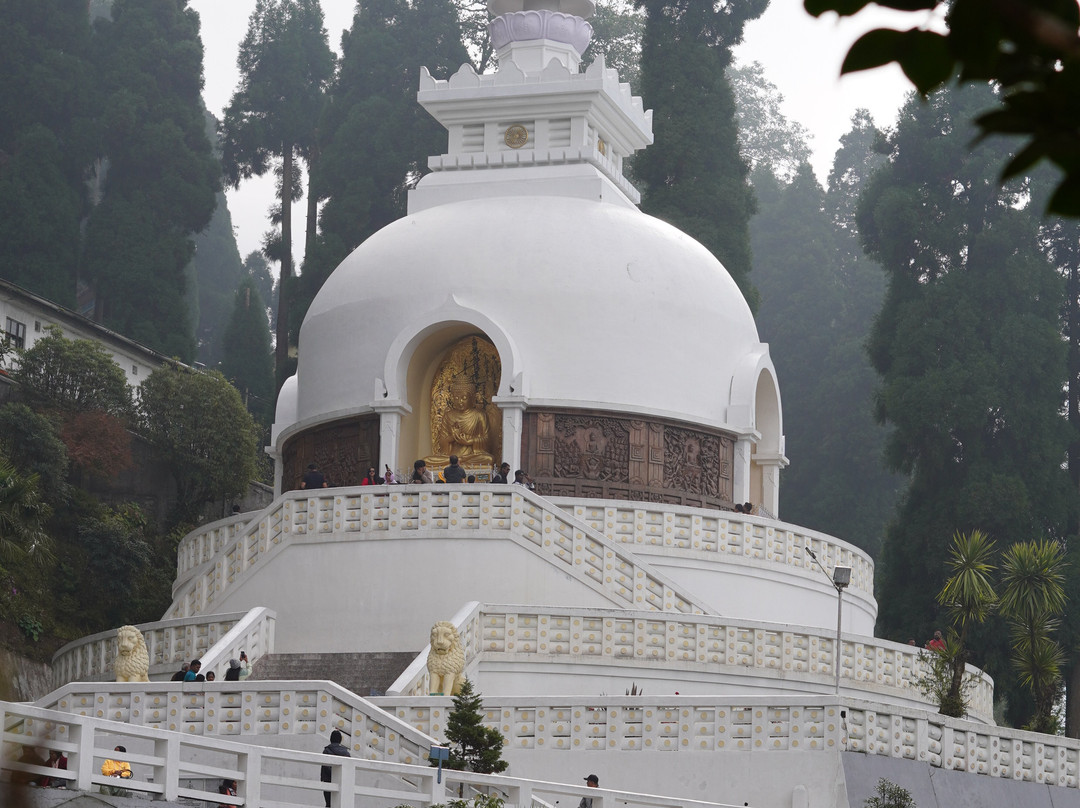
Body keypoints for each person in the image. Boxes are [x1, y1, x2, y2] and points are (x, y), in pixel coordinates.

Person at [320, 729, 351, 808]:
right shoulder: (346, 753)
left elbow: (326, 767)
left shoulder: (326, 751)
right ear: (340, 740)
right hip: (342, 782)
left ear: (331, 739)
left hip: (328, 781)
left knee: (329, 804)